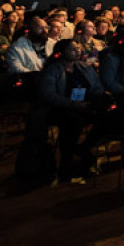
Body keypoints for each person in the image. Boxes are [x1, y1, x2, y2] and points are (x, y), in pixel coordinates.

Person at [35, 39, 105, 185]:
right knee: (73, 121)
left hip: (85, 105)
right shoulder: (53, 70)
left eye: (78, 48)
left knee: (107, 117)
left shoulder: (84, 67)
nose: (77, 51)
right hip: (60, 108)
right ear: (61, 52)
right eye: (73, 48)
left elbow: (97, 86)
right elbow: (49, 95)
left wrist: (94, 100)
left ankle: (82, 149)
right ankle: (68, 162)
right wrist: (73, 104)